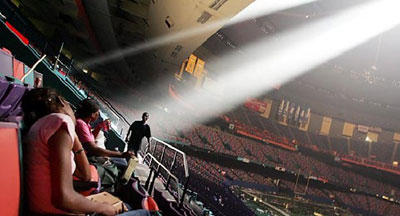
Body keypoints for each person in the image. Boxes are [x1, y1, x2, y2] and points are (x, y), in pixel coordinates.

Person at [21, 88, 150, 215]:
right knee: (146, 213)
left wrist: (75, 138)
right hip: (54, 210)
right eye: (69, 105)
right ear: (61, 102)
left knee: (127, 205)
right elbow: (63, 199)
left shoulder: (45, 126)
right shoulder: (60, 121)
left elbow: (85, 176)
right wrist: (102, 208)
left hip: (45, 209)